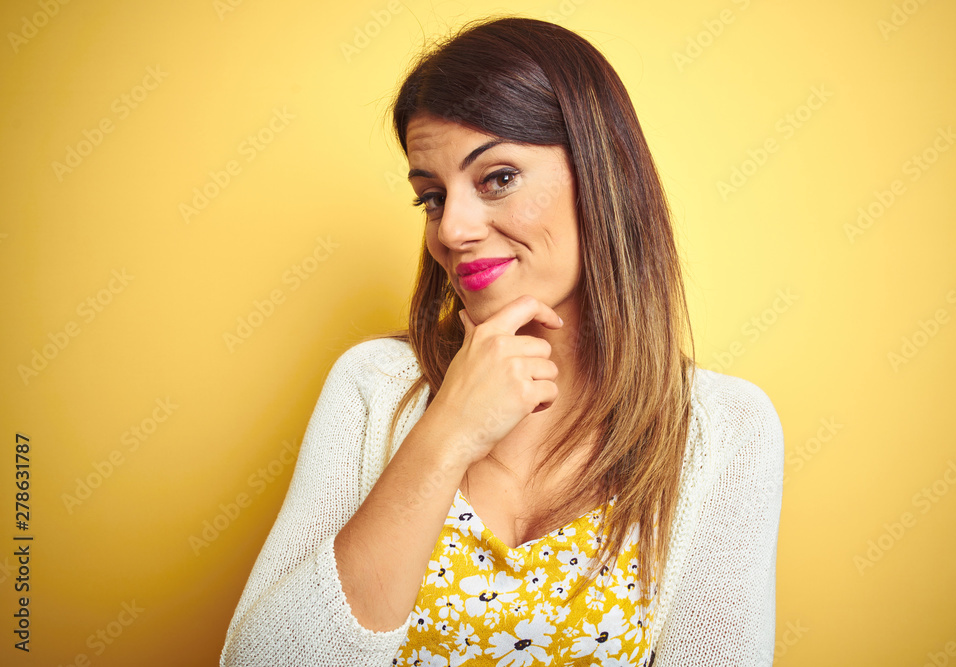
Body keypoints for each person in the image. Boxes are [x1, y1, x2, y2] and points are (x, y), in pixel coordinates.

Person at [220, 14, 784, 667]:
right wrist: (448, 431)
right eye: (431, 196)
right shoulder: (374, 385)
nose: (451, 229)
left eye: (497, 178)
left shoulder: (723, 431)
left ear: (603, 175)